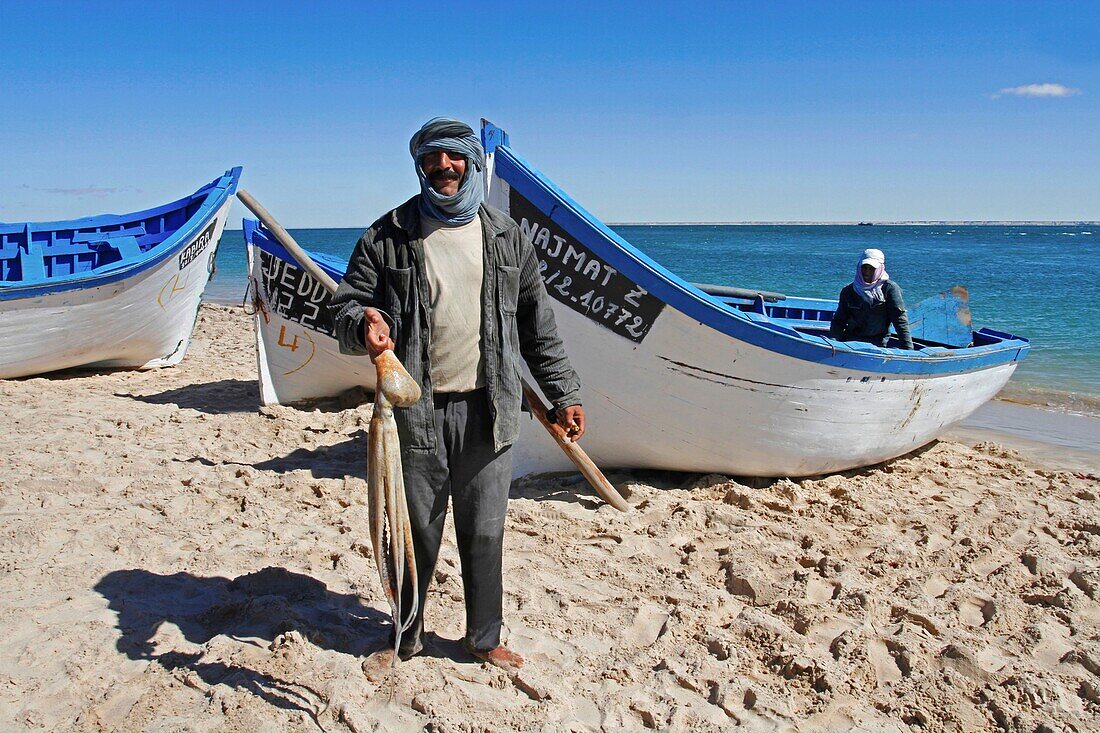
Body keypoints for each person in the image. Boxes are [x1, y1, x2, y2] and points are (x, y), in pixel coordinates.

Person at [329, 118, 585, 674]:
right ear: (419, 166)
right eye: (431, 160)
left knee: (484, 529)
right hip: (414, 412)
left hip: (489, 409)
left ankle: (483, 638)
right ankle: (406, 635)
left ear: (472, 161)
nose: (443, 168)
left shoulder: (507, 237)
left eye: (454, 158)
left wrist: (563, 393)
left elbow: (538, 327)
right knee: (415, 529)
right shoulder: (387, 234)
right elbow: (344, 309)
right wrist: (362, 323)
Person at [829, 248, 914, 349]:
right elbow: (839, 321)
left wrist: (908, 348)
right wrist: (833, 343)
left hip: (878, 344)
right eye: (864, 267)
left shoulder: (889, 289)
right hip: (850, 342)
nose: (867, 272)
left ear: (880, 269)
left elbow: (900, 321)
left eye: (871, 268)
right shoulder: (848, 291)